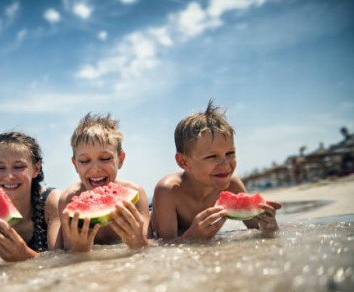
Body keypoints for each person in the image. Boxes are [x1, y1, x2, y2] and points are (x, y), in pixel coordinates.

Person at [151, 100, 281, 242]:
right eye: (212, 156)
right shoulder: (168, 190)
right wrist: (190, 238)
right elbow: (164, 244)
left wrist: (268, 227)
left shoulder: (232, 184)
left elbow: (256, 229)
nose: (225, 165)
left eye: (230, 153)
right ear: (184, 162)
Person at [0, 131, 61, 264]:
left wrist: (25, 255)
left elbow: (62, 262)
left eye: (19, 167)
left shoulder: (52, 202)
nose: (9, 176)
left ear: (36, 169)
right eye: (0, 168)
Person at [58, 112, 151, 252]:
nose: (95, 169)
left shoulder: (136, 195)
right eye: (84, 161)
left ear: (121, 159)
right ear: (75, 164)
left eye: (106, 158)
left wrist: (139, 242)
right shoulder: (68, 200)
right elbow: (65, 253)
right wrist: (79, 249)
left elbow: (149, 246)